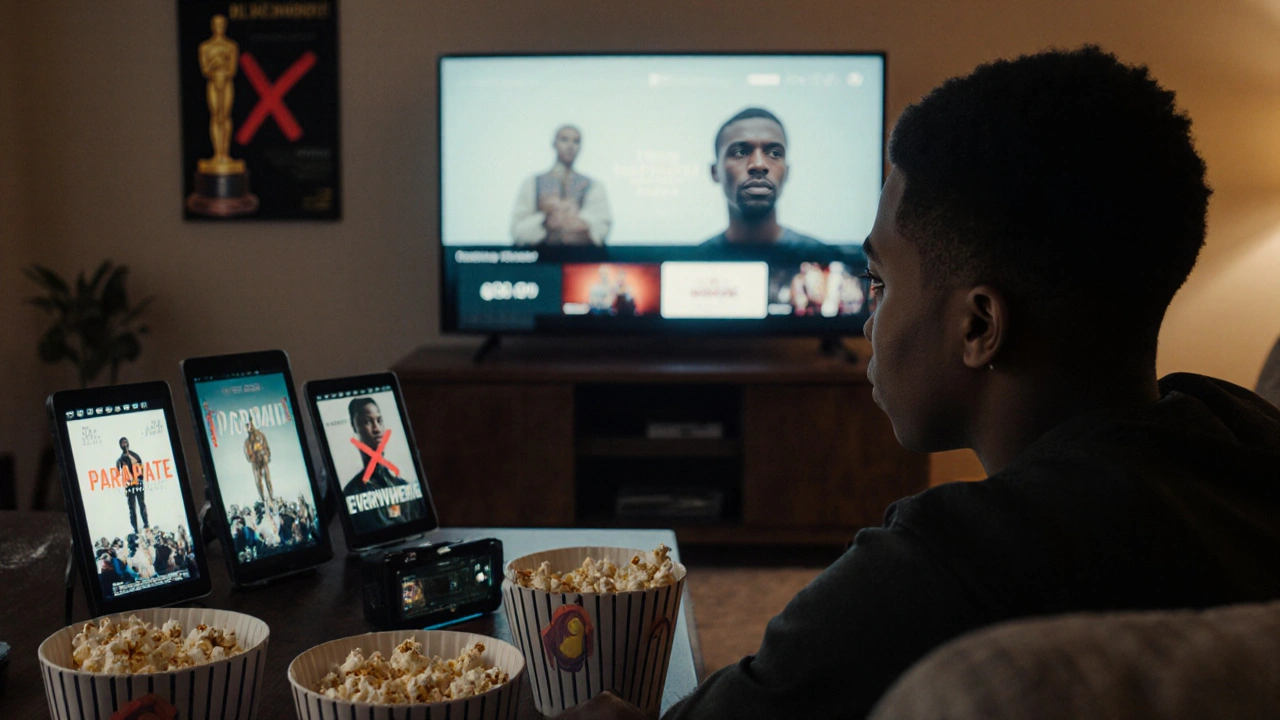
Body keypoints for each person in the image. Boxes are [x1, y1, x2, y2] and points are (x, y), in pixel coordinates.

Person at [563, 46, 1280, 720]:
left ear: (977, 327)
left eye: (877, 281)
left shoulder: (934, 571)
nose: (868, 322)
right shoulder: (1245, 430)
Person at [700, 108, 825, 249]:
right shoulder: (692, 265)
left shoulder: (827, 262)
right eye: (740, 152)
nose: (759, 164)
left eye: (774, 153)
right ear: (715, 172)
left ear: (787, 172)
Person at [511, 125, 612, 245]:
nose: (570, 146)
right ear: (554, 144)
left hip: (582, 259)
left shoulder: (593, 186)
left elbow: (601, 229)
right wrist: (546, 220)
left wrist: (575, 221)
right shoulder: (532, 183)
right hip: (540, 259)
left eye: (576, 141)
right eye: (564, 140)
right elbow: (517, 231)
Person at [341, 397, 423, 534]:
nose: (377, 429)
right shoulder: (351, 492)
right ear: (354, 426)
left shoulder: (404, 487)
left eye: (379, 421)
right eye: (367, 422)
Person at [116, 437, 149, 534]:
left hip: (138, 482)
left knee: (142, 504)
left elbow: (141, 466)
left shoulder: (134, 455)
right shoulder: (120, 459)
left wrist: (140, 478)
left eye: (126, 442)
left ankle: (146, 523)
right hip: (129, 485)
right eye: (122, 443)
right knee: (132, 507)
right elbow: (118, 472)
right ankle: (135, 528)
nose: (125, 444)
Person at [243, 419, 274, 504]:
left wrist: (267, 455)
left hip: (263, 459)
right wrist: (252, 457)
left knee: (267, 479)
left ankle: (271, 497)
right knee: (258, 481)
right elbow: (248, 455)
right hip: (255, 463)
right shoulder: (247, 442)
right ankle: (263, 499)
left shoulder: (261, 436)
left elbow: (266, 446)